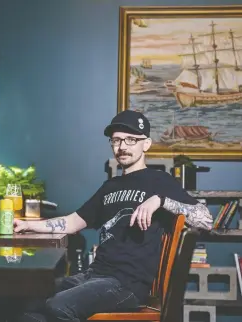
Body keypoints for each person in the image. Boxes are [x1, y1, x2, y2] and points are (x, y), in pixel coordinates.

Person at [12, 110, 213, 322]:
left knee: (59, 306)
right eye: (116, 140)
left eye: (131, 140)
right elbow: (72, 222)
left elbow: (206, 220)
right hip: (92, 276)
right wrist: (28, 225)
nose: (123, 146)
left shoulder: (159, 181)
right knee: (30, 298)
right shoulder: (110, 187)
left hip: (126, 284)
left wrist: (160, 201)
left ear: (146, 144)